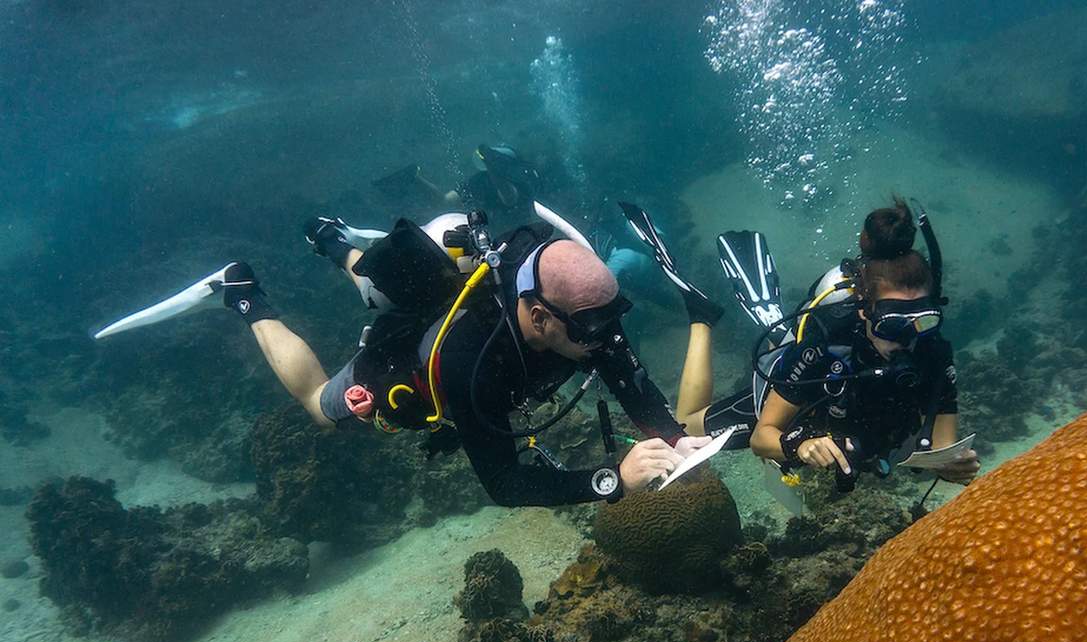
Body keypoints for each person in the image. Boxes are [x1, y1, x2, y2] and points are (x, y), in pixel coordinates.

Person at [212, 209, 710, 507]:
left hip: (464, 314)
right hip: (411, 359)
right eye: (592, 329)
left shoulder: (586, 312)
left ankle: (333, 241)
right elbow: (504, 484)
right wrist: (612, 481)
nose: (605, 340)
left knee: (373, 285)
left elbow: (632, 388)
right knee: (320, 405)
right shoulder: (469, 360)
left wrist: (673, 437)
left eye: (612, 319)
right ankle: (246, 297)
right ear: (540, 317)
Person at [633, 197, 980, 488]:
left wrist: (951, 467)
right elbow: (762, 437)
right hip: (803, 408)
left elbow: (943, 447)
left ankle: (775, 327)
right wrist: (798, 445)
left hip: (852, 431)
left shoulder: (933, 354)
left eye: (923, 321)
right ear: (864, 311)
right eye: (891, 325)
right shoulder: (826, 346)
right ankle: (702, 317)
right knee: (682, 427)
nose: (907, 340)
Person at [445, 145, 541, 232]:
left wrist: (492, 167)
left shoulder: (523, 178)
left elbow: (509, 197)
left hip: (522, 233)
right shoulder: (481, 179)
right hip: (494, 236)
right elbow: (450, 198)